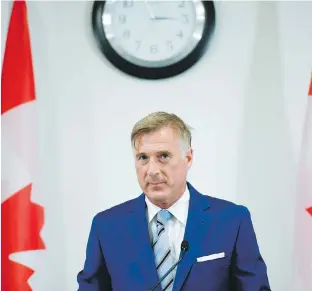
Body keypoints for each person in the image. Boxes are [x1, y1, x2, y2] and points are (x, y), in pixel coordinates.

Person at [77, 112, 271, 291]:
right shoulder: (107, 227)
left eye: (163, 156)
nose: (152, 170)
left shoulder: (232, 221)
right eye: (143, 158)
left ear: (188, 158)